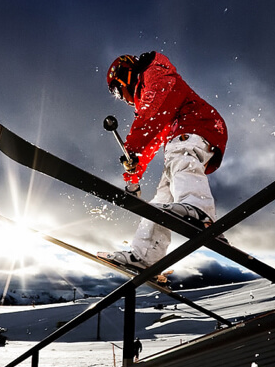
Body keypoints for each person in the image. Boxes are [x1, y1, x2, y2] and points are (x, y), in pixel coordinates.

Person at [97, 52, 228, 271]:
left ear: (124, 76)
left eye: (118, 92)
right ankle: (146, 254)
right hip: (182, 135)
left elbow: (150, 117)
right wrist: (133, 175)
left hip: (198, 125)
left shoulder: (155, 73)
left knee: (180, 156)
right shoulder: (147, 94)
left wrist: (132, 148)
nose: (122, 98)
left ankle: (198, 208)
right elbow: (151, 138)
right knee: (162, 200)